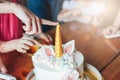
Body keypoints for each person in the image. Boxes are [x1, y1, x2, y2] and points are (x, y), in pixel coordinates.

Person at [0, 0, 58, 74]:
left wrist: (33, 32)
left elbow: (16, 25)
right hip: (7, 60)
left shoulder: (16, 2)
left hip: (21, 53)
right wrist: (15, 44)